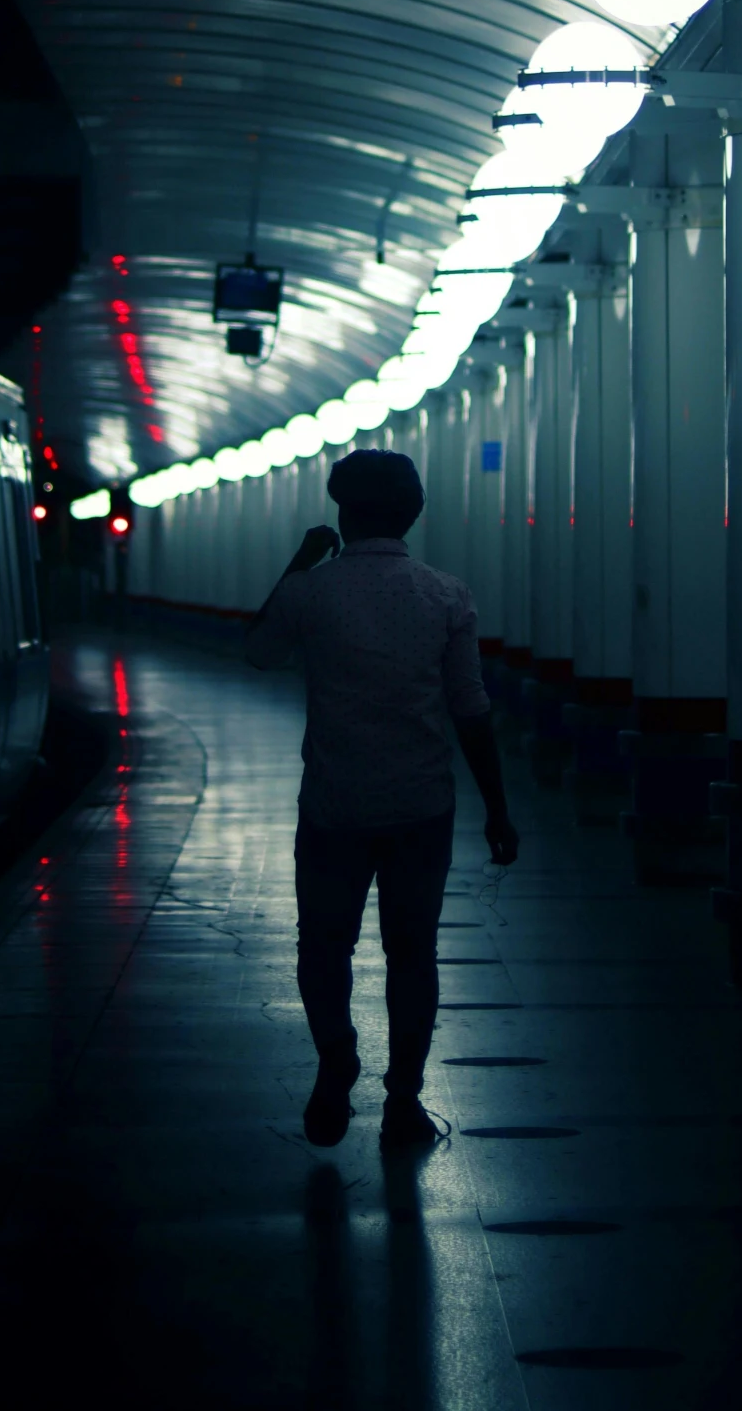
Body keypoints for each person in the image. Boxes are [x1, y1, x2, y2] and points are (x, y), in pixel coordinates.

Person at [244, 447, 518, 1152]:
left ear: (342, 510)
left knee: (324, 946)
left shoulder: (312, 591)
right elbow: (471, 710)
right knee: (412, 953)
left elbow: (258, 651)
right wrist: (499, 807)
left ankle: (336, 1052)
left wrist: (300, 562)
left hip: (334, 804)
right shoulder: (446, 595)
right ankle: (403, 1102)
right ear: (414, 513)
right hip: (422, 807)